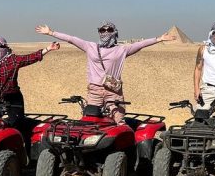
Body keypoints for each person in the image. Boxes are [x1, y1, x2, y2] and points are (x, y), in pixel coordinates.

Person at [35, 21, 176, 123]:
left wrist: (159, 39)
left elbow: (140, 45)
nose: (105, 33)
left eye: (108, 30)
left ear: (114, 32)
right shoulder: (90, 47)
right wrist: (51, 33)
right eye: (102, 30)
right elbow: (71, 39)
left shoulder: (122, 49)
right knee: (91, 120)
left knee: (119, 121)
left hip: (113, 90)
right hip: (94, 90)